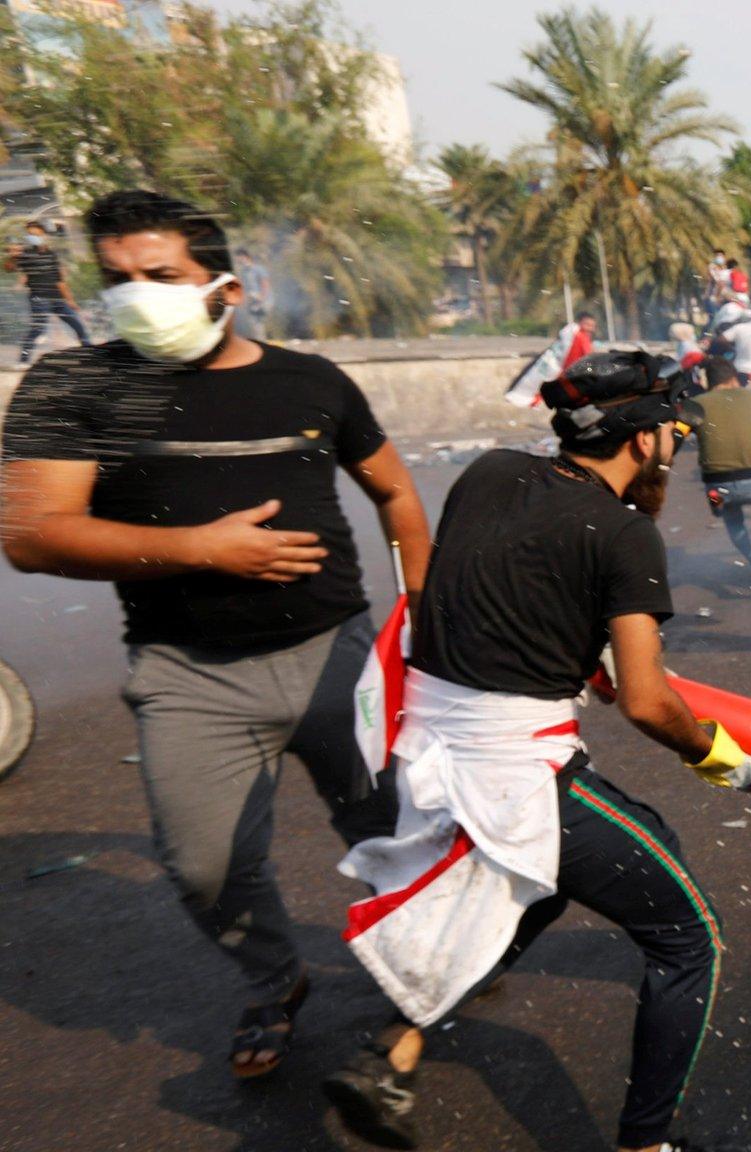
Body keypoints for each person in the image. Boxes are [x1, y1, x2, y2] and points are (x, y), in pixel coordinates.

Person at [0, 189, 431, 1079]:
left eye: (160, 276)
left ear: (226, 287)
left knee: (390, 827)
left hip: (336, 655)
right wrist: (202, 549)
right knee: (203, 866)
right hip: (188, 673)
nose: (133, 296)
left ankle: (425, 969)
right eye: (116, 279)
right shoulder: (73, 385)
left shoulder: (312, 381)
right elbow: (31, 534)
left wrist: (421, 604)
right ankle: (276, 980)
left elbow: (393, 491)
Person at [326, 347, 751, 1152]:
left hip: (429, 740)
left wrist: (572, 648)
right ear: (643, 440)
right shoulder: (624, 536)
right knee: (690, 939)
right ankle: (646, 1143)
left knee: (543, 880)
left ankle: (392, 1050)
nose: (674, 446)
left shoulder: (491, 472)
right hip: (513, 770)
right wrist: (718, 757)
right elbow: (646, 702)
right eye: (671, 432)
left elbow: (491, 581)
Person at [679, 358, 751, 596]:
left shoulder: (695, 404)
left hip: (717, 483)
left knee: (728, 515)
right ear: (734, 378)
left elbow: (678, 432)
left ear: (709, 383)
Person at [12, 220, 90, 363]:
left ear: (44, 235)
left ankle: (93, 355)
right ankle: (22, 361)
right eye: (30, 234)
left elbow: (59, 280)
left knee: (78, 326)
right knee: (38, 330)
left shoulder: (51, 255)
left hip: (58, 299)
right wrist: (12, 256)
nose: (33, 237)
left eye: (36, 234)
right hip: (39, 298)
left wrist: (70, 300)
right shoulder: (25, 254)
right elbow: (9, 268)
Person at [234, 245, 273, 341]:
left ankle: (262, 342)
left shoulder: (258, 269)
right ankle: (261, 342)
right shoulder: (244, 272)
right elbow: (245, 288)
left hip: (264, 301)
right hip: (253, 301)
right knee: (255, 324)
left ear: (245, 256)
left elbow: (265, 284)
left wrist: (262, 298)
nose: (238, 261)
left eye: (239, 258)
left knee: (257, 321)